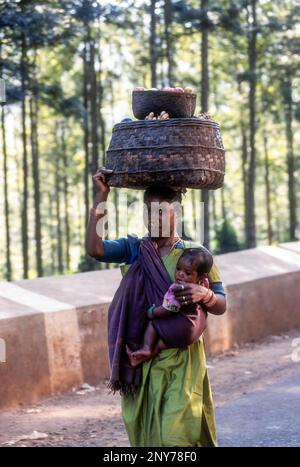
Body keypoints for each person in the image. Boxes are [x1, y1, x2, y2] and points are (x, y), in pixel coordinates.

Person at [86, 167, 227, 447]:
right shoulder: (135, 249)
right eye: (149, 212)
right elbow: (95, 250)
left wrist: (204, 294)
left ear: (178, 213)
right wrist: (101, 197)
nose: (155, 219)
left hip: (182, 363)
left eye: (162, 212)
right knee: (147, 438)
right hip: (141, 360)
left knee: (177, 436)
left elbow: (221, 304)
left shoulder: (195, 256)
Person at [125, 246, 216, 367]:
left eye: (187, 273)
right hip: (196, 330)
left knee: (154, 323)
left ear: (200, 277)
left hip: (184, 328)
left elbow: (170, 309)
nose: (180, 274)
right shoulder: (204, 285)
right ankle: (139, 358)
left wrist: (152, 312)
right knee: (159, 344)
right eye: (178, 269)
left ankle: (146, 347)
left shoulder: (178, 289)